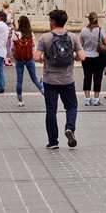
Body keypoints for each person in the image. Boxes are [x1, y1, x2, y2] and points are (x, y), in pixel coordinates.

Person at [40, 9, 80, 149]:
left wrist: (46, 58)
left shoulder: (44, 37)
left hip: (50, 79)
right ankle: (70, 127)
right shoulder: (73, 37)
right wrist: (70, 56)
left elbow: (35, 57)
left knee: (51, 110)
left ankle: (53, 142)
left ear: (53, 22)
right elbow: (82, 57)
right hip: (67, 79)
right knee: (72, 106)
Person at [10, 16, 42, 104]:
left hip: (19, 58)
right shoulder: (30, 33)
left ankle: (20, 101)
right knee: (34, 78)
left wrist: (12, 55)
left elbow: (12, 47)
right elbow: (34, 46)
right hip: (29, 58)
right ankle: (43, 92)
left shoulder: (15, 33)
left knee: (19, 80)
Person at [78, 13, 106, 105]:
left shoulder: (83, 31)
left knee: (87, 77)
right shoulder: (100, 30)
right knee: (97, 78)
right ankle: (96, 99)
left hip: (86, 57)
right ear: (96, 19)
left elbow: (80, 44)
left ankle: (87, 99)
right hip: (98, 56)